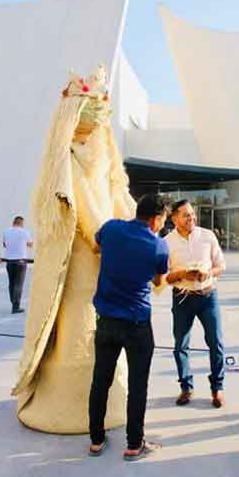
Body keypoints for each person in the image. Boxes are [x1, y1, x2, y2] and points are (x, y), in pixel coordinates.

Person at [12, 66, 136, 434]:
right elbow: (80, 210)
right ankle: (74, 405)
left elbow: (117, 199)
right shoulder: (65, 158)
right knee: (76, 330)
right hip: (83, 259)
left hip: (104, 260)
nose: (96, 125)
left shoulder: (103, 157)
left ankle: (105, 400)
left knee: (98, 330)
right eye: (91, 113)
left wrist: (128, 235)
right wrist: (118, 241)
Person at [88, 194, 169, 461]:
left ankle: (96, 441)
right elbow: (158, 281)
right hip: (137, 325)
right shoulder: (158, 246)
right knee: (138, 385)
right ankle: (134, 444)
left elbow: (94, 248)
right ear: (156, 219)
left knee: (101, 380)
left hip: (107, 321)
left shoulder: (111, 228)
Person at [165, 199, 226, 408]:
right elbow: (164, 277)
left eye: (192, 214)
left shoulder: (207, 236)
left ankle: (217, 388)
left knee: (216, 343)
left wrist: (208, 272)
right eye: (185, 215)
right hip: (182, 298)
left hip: (208, 296)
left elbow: (221, 266)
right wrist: (182, 274)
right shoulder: (166, 242)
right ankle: (186, 387)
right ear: (174, 218)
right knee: (180, 344)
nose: (191, 218)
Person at [2, 216, 33, 314]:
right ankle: (16, 307)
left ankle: (13, 303)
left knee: (11, 283)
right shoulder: (25, 232)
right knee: (18, 284)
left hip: (9, 262)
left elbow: (4, 244)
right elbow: (30, 244)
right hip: (21, 262)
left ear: (13, 222)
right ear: (21, 223)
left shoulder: (6, 231)